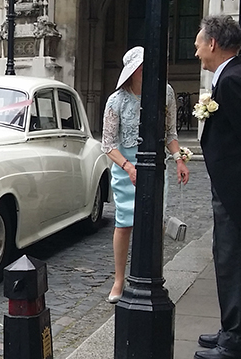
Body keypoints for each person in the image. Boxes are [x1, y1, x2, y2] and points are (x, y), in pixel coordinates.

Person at [101, 46, 190, 304]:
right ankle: (119, 278)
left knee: (155, 223)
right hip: (125, 167)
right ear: (134, 70)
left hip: (154, 166)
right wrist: (128, 167)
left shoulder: (167, 93)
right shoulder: (116, 101)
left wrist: (178, 160)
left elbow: (170, 133)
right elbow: (108, 144)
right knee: (124, 223)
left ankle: (151, 273)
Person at [193, 15, 241, 359]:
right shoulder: (231, 77)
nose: (196, 52)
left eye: (197, 44)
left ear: (212, 43)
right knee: (225, 260)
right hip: (228, 190)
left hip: (234, 194)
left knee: (231, 261)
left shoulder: (233, 81)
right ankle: (229, 327)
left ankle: (234, 340)